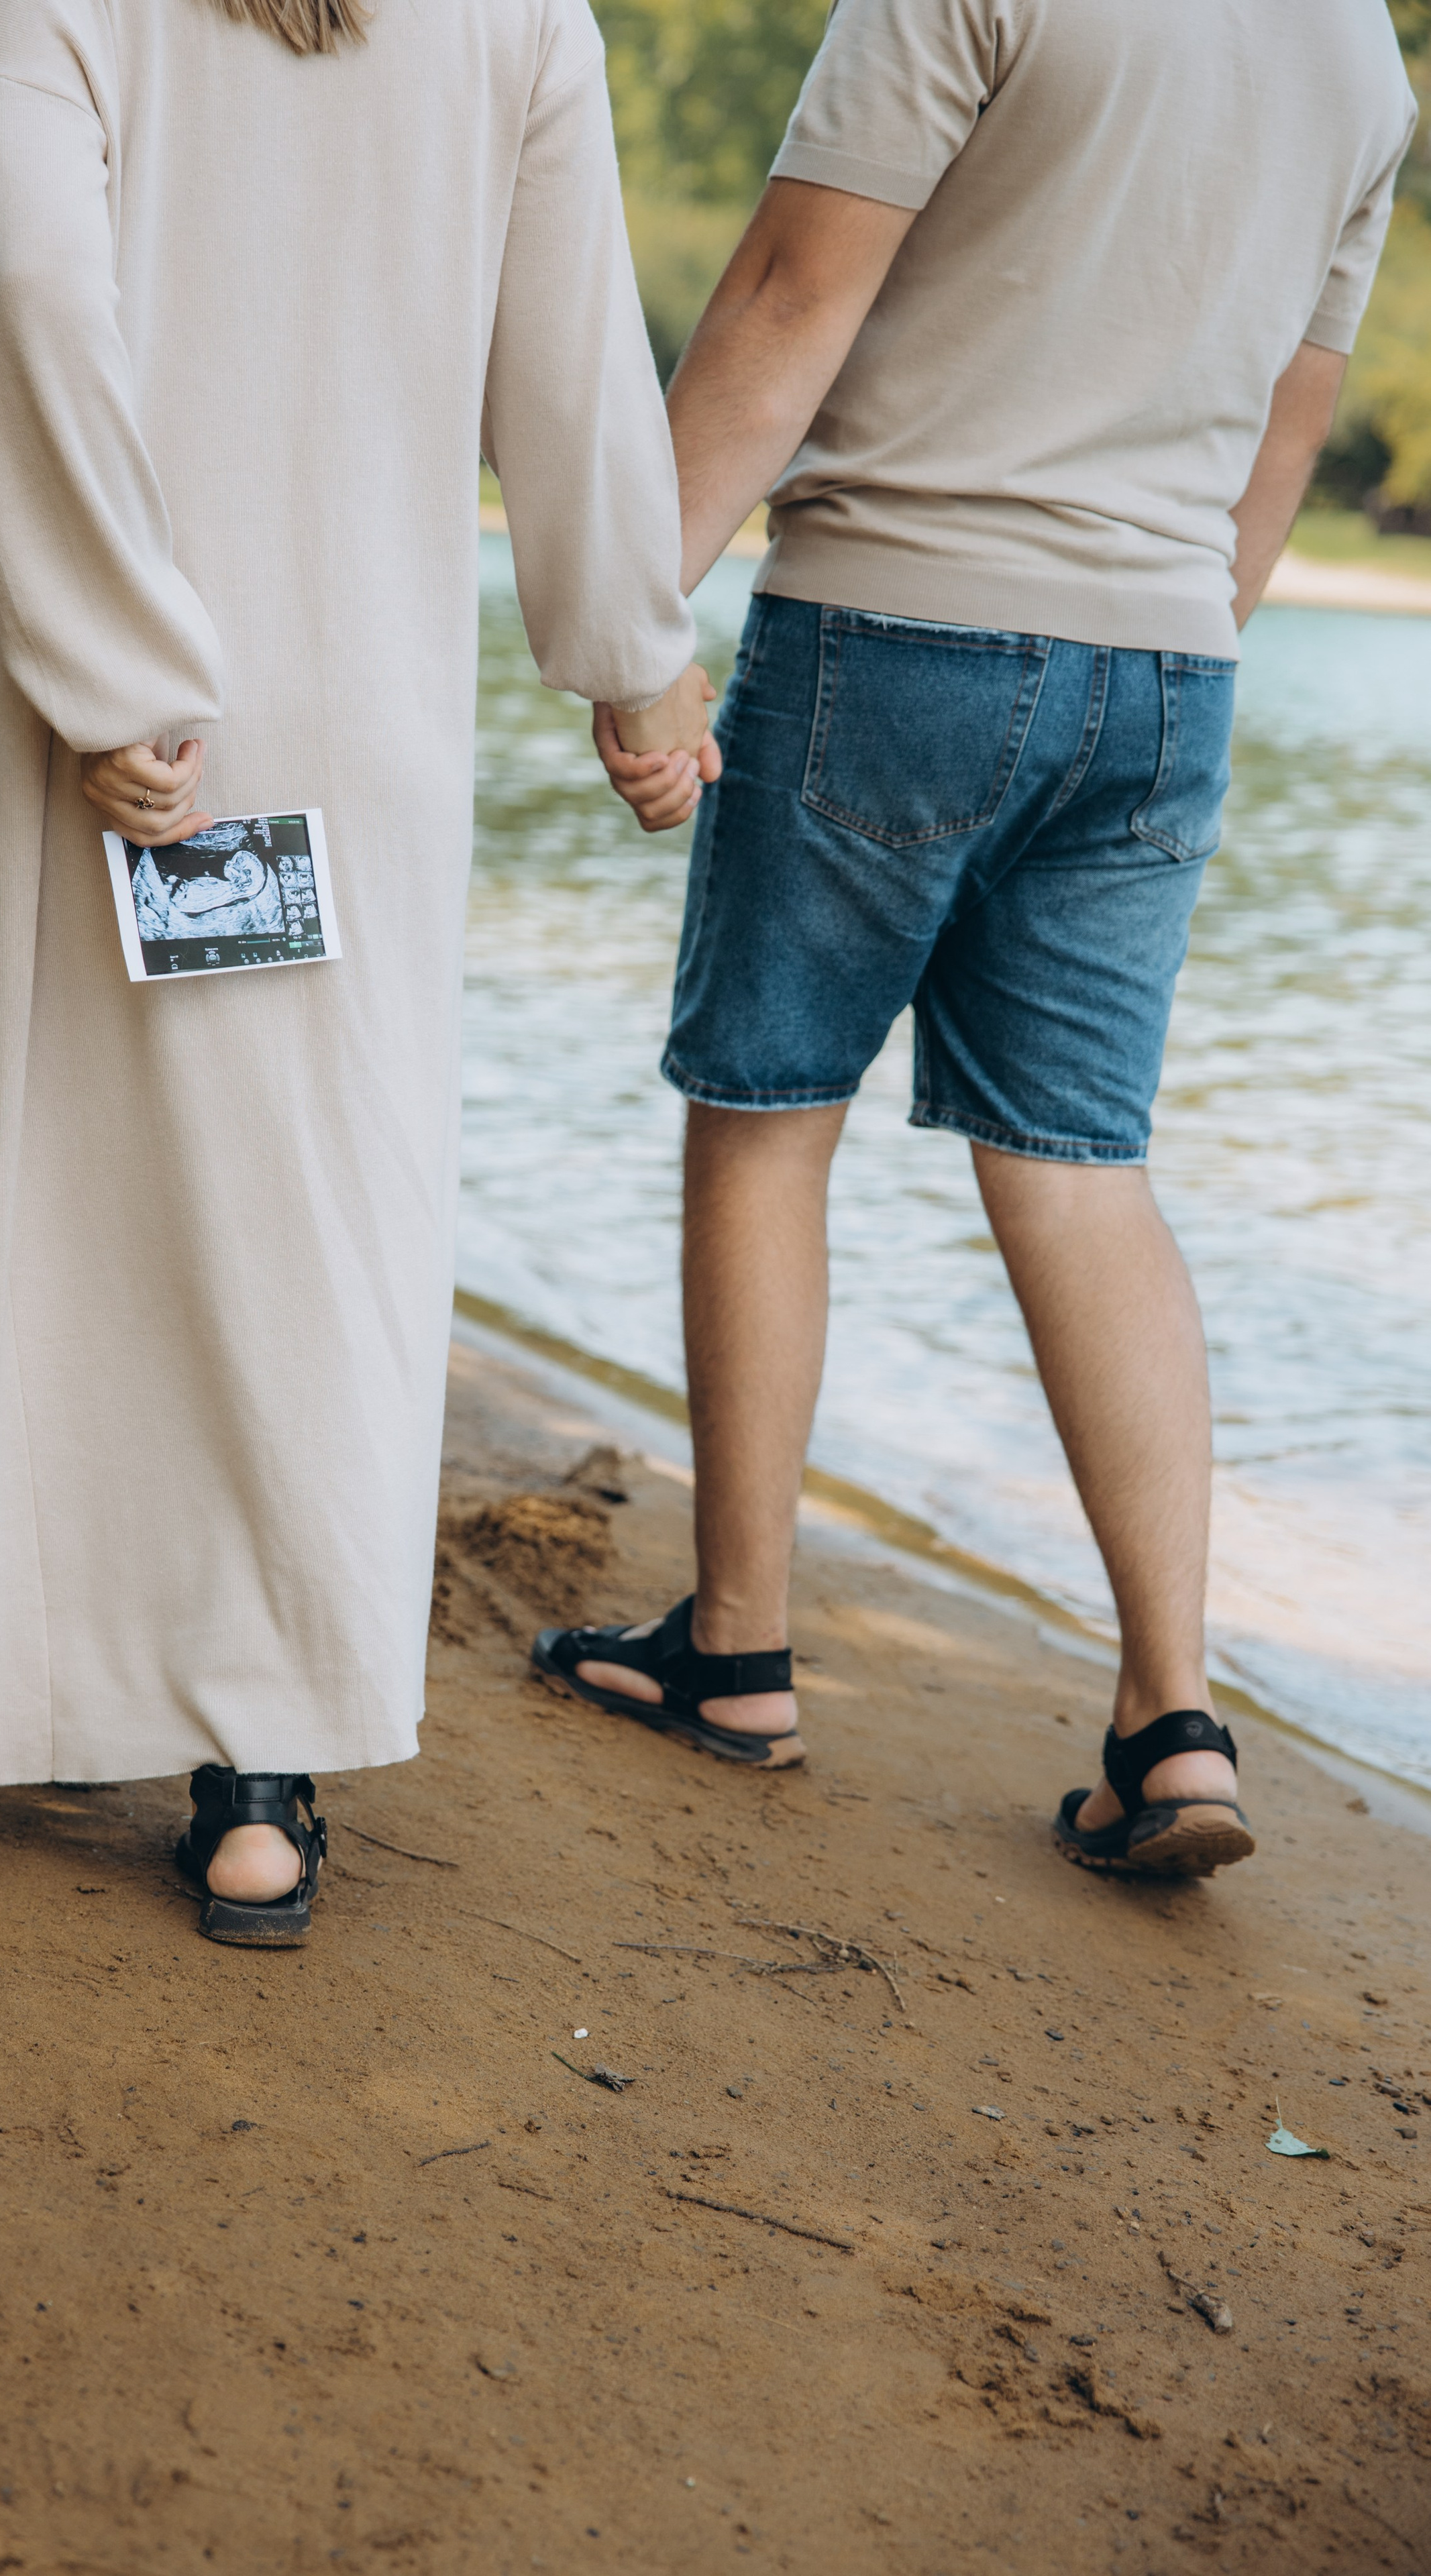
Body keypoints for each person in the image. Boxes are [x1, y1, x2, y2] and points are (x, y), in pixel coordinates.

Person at [0, 0, 715, 1943]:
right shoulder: (519, 16)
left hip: (92, 709)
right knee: (307, 1220)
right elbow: (574, 364)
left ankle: (18, 1675)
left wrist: (111, 651)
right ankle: (258, 1775)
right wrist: (635, 661)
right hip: (347, 710)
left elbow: (27, 291)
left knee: (47, 1182)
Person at [535, 0, 1416, 1880]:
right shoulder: (1359, 51)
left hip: (898, 623)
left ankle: (738, 1652)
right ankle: (1173, 1720)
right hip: (1170, 668)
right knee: (1086, 1166)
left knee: (770, 1109)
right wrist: (1178, 646)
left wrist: (628, 622)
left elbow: (788, 294)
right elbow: (1293, 414)